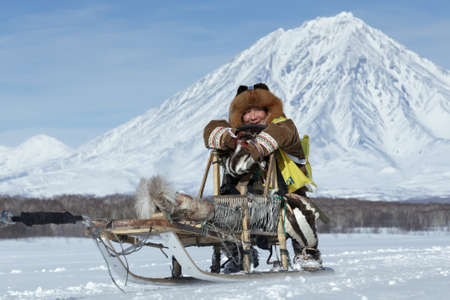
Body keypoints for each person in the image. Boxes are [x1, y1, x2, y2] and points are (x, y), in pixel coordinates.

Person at [203, 83, 322, 271]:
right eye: (246, 111)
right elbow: (211, 131)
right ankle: (240, 257)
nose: (252, 116)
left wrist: (253, 148)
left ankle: (306, 253)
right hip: (243, 206)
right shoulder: (235, 135)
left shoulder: (284, 127)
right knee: (215, 214)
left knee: (300, 214)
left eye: (257, 109)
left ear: (268, 110)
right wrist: (231, 140)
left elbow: (281, 132)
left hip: (281, 204)